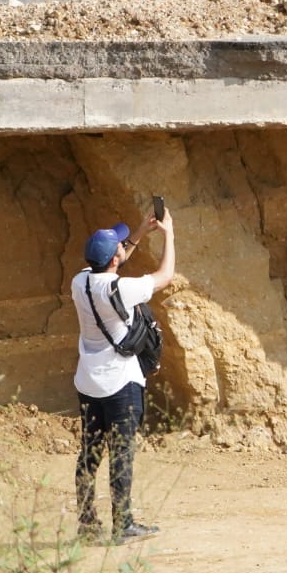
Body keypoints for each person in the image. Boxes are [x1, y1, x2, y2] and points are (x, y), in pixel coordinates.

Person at [70, 206, 175, 544]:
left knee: (90, 452)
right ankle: (124, 523)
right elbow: (166, 275)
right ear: (114, 261)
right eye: (120, 247)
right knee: (122, 452)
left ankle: (87, 525)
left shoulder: (80, 282)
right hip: (120, 383)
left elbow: (110, 264)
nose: (122, 249)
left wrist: (137, 235)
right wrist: (169, 234)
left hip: (88, 381)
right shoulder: (123, 291)